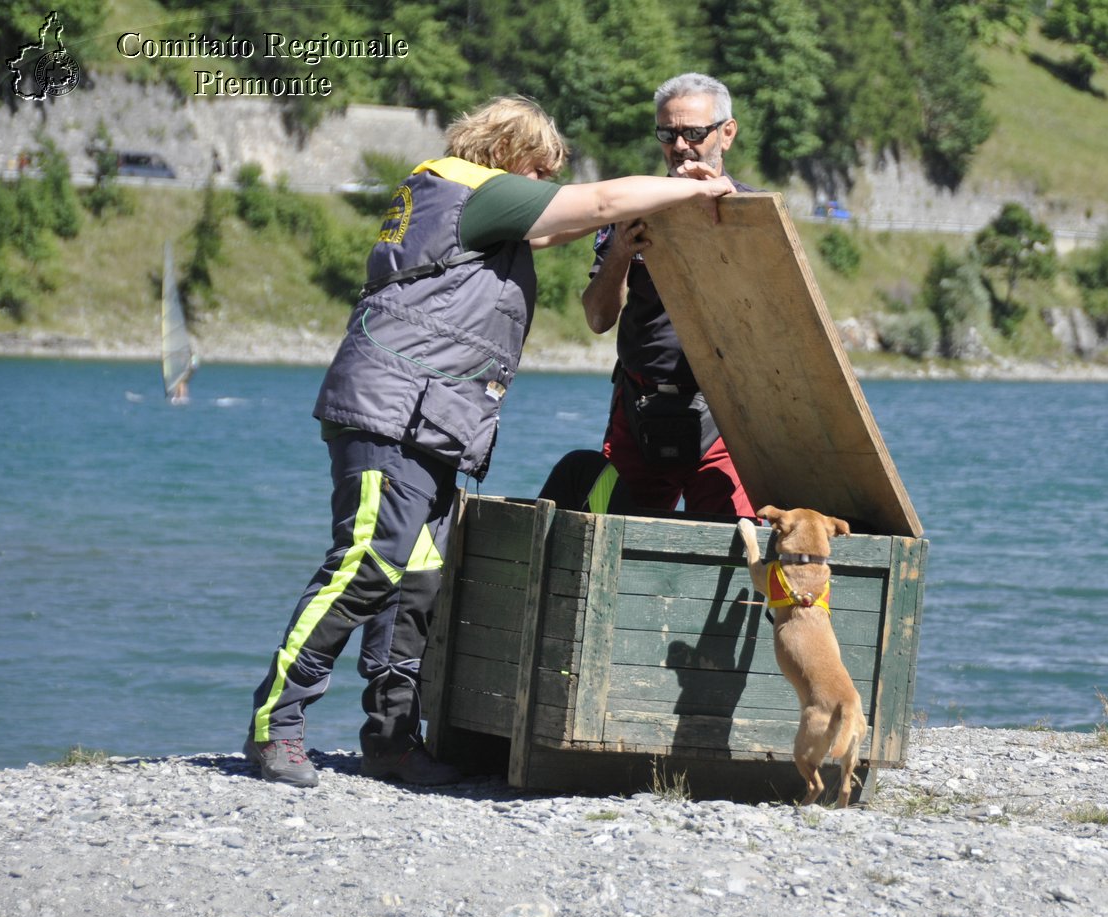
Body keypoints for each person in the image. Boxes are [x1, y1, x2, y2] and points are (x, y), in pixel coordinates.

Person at [245, 96, 736, 789]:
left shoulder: (450, 197)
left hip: (430, 418)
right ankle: (277, 720)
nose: (544, 186)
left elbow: (556, 232)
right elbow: (598, 201)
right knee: (365, 563)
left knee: (415, 580)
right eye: (540, 171)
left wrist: (625, 237)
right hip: (394, 413)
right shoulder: (470, 190)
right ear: (507, 155)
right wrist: (699, 186)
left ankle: (390, 739)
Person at [581, 72, 756, 519]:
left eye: (694, 133)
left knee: (734, 550)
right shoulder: (633, 208)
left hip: (728, 416)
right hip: (640, 409)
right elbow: (599, 319)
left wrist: (723, 211)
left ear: (727, 133)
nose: (680, 146)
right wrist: (621, 250)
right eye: (668, 133)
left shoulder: (754, 213)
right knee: (612, 540)